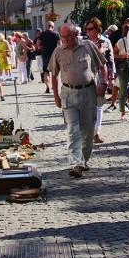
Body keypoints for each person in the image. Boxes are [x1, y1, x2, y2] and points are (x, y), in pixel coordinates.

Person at [49, 23, 107, 178]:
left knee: (87, 131)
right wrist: (55, 95)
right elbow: (53, 76)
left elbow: (102, 66)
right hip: (68, 94)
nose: (65, 40)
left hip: (88, 92)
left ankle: (83, 160)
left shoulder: (88, 46)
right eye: (63, 37)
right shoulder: (58, 51)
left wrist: (105, 83)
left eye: (69, 36)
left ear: (76, 34)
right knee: (72, 130)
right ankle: (76, 163)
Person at [85, 17, 114, 144]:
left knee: (99, 104)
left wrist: (111, 78)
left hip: (101, 75)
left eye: (90, 29)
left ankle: (96, 132)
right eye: (87, 29)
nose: (88, 31)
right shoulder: (84, 43)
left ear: (98, 29)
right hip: (86, 76)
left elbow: (111, 61)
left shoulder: (106, 42)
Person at [112, 18, 129, 117]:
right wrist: (122, 56)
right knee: (123, 90)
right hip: (124, 68)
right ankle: (122, 112)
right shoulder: (122, 41)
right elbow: (113, 54)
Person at [38, 21, 61, 93]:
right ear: (53, 27)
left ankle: (47, 86)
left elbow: (38, 43)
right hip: (54, 54)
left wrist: (41, 48)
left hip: (45, 54)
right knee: (54, 71)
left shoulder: (43, 33)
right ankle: (54, 87)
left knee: (46, 71)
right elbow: (60, 44)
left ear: (47, 26)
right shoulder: (56, 34)